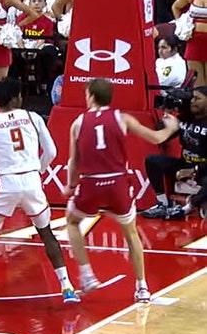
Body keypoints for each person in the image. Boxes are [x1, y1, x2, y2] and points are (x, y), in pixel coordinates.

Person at [0, 78, 79, 303]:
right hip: (32, 180)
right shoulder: (34, 118)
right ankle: (67, 287)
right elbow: (51, 151)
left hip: (6, 182)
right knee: (46, 234)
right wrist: (38, 171)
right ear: (18, 98)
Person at [66, 79, 182, 303]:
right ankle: (141, 288)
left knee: (72, 222)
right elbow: (156, 138)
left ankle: (87, 275)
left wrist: (70, 185)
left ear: (90, 95)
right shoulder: (122, 118)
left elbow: (74, 161)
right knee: (131, 233)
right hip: (117, 184)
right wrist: (171, 127)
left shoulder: (78, 122)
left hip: (91, 183)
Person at [141, 87, 207, 220]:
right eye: (192, 98)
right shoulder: (185, 118)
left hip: (203, 168)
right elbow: (162, 135)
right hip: (184, 163)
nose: (192, 102)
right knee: (152, 161)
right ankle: (162, 203)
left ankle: (185, 210)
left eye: (197, 99)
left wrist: (193, 171)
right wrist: (168, 114)